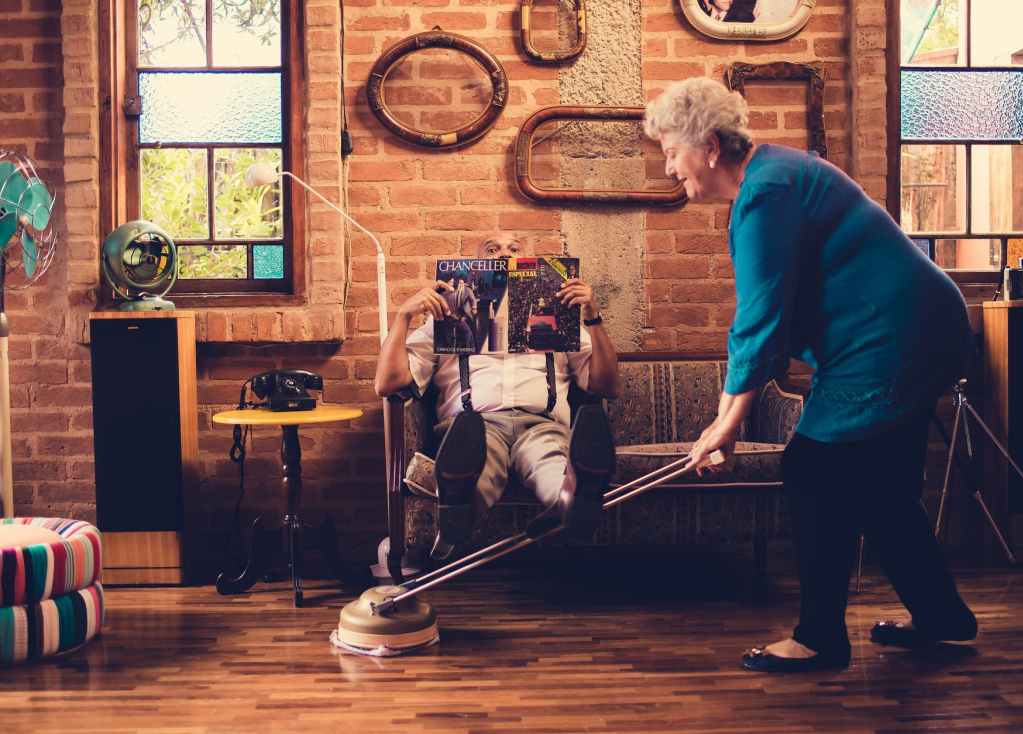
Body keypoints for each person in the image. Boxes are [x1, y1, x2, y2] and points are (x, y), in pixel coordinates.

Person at [643, 77, 978, 673]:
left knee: (813, 469)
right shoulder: (772, 176)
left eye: (672, 152)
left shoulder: (767, 191)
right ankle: (941, 616)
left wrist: (726, 424)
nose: (669, 168)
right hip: (916, 331)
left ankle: (820, 638)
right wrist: (726, 420)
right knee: (883, 490)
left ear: (710, 147)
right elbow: (775, 315)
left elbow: (760, 317)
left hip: (893, 340)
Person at [375, 233, 621, 558]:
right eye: (492, 249)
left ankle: (573, 500)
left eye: (514, 249)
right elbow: (387, 384)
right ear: (475, 266)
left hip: (541, 424)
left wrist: (592, 316)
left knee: (550, 462)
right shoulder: (445, 320)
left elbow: (607, 387)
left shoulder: (559, 318)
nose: (504, 254)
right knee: (480, 462)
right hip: (476, 428)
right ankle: (459, 498)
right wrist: (403, 317)